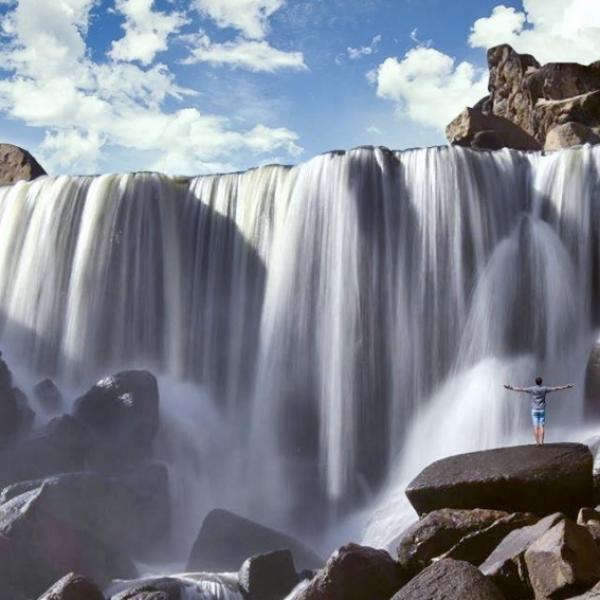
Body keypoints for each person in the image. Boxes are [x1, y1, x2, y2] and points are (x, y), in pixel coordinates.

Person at [504, 377, 574, 445]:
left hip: (534, 410)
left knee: (535, 427)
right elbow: (555, 389)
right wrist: (566, 386)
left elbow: (521, 389)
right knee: (542, 427)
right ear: (541, 382)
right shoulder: (544, 389)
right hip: (542, 409)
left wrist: (511, 388)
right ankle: (542, 442)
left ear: (535, 382)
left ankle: (537, 442)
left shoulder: (532, 389)